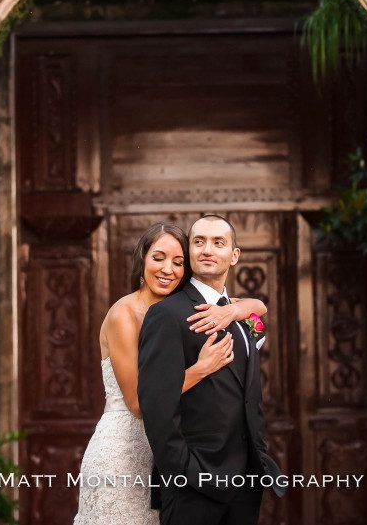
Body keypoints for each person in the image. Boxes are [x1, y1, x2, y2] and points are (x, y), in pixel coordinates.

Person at [74, 221, 268, 524]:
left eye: (178, 262)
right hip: (125, 449)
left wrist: (234, 310)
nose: (168, 269)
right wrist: (200, 369)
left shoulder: (191, 310)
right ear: (142, 259)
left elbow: (257, 307)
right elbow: (139, 403)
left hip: (165, 451)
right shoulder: (124, 315)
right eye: (158, 258)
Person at [138, 215, 285, 525]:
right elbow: (156, 407)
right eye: (199, 241)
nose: (207, 249)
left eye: (219, 243)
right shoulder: (166, 315)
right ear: (190, 252)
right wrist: (186, 473)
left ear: (234, 255)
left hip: (246, 484)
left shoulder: (240, 314)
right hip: (194, 486)